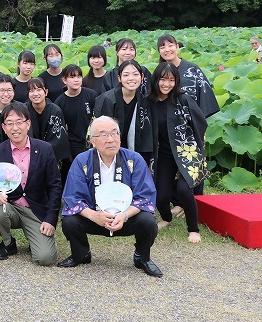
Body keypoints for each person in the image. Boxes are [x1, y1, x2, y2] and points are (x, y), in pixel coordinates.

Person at [58, 116, 161, 277]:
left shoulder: (134, 160)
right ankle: (81, 254)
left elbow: (145, 197)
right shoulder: (82, 161)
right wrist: (94, 215)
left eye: (115, 133)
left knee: (148, 221)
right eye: (104, 135)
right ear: (93, 140)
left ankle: (142, 257)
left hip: (125, 218)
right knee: (70, 221)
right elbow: (72, 197)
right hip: (95, 217)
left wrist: (124, 215)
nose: (110, 140)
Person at [0, 102, 62, 266]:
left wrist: (51, 219)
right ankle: (8, 244)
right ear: (3, 127)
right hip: (11, 207)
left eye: (19, 122)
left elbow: (55, 187)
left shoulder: (45, 149)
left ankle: (34, 238)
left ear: (28, 124)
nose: (15, 128)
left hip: (35, 209)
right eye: (9, 123)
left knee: (45, 258)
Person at [149, 62, 208, 244]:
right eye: (163, 79)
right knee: (161, 195)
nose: (166, 84)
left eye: (171, 80)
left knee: (183, 189)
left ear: (176, 82)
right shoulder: (148, 102)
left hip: (187, 150)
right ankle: (166, 218)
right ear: (156, 80)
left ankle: (193, 229)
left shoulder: (182, 99)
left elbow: (200, 123)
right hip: (165, 154)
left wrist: (199, 149)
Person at [93, 60, 154, 166]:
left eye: (135, 74)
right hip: (109, 150)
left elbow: (146, 135)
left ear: (142, 76)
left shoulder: (144, 101)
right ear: (119, 78)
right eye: (126, 75)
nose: (131, 78)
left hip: (135, 151)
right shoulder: (107, 100)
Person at [157, 34, 220, 118]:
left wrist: (201, 125)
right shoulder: (159, 71)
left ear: (177, 47)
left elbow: (205, 99)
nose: (167, 50)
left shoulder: (192, 69)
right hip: (166, 122)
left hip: (191, 122)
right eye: (162, 47)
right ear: (159, 51)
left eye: (170, 45)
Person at [54, 64, 97, 183]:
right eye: (72, 77)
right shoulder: (60, 102)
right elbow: (62, 130)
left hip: (92, 141)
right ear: (64, 80)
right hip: (73, 144)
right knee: (78, 175)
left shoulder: (91, 95)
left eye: (79, 76)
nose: (76, 80)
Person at [26, 78, 71, 164]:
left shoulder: (55, 110)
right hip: (29, 155)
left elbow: (58, 139)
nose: (35, 94)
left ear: (46, 92)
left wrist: (42, 152)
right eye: (31, 91)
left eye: (39, 90)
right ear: (28, 94)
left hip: (51, 155)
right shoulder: (24, 111)